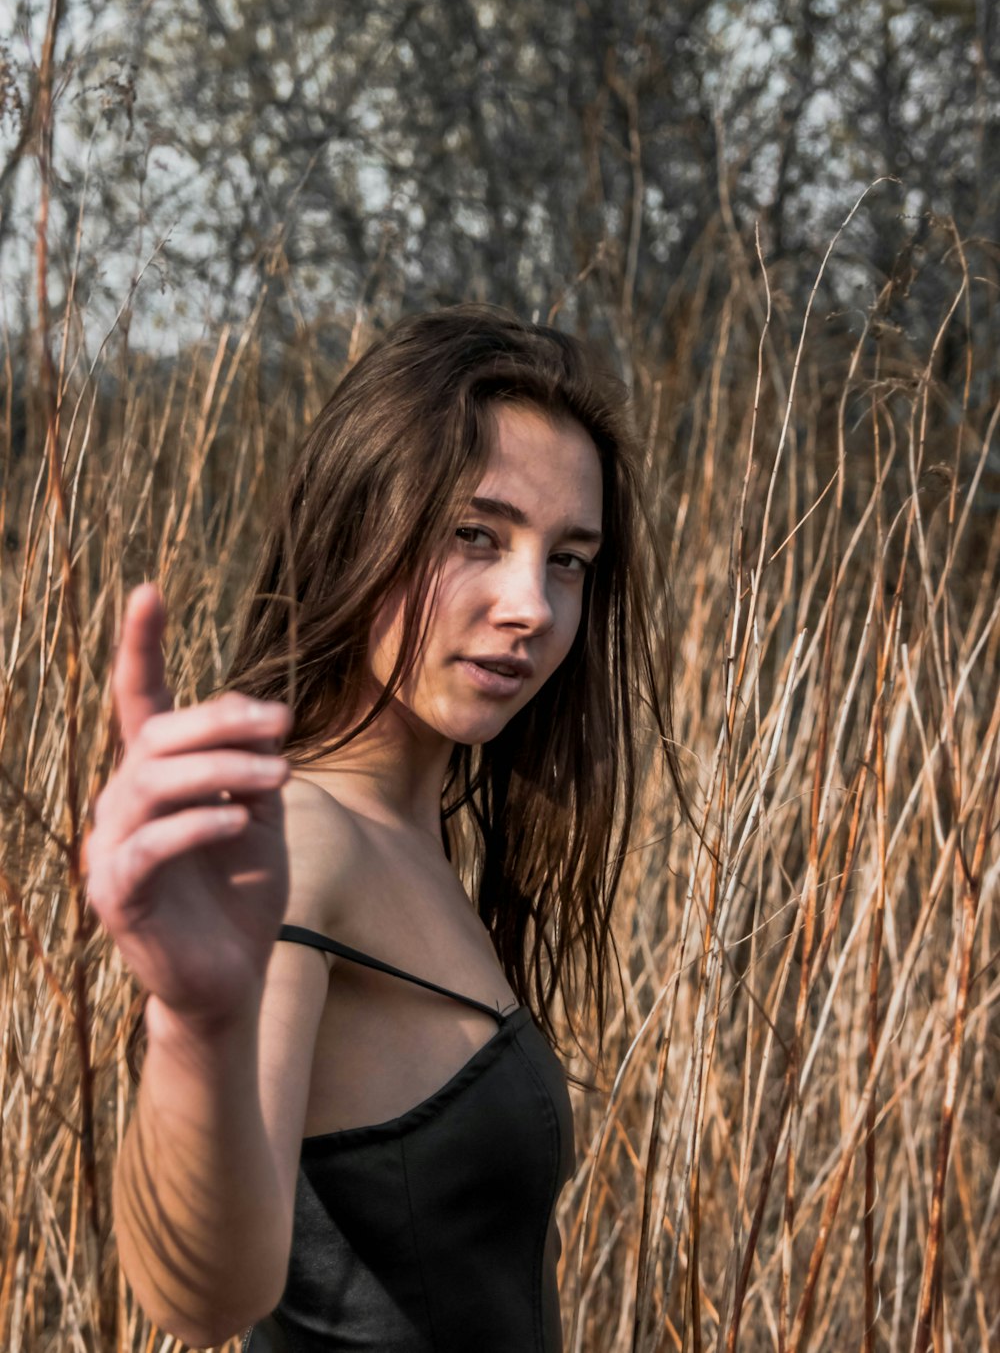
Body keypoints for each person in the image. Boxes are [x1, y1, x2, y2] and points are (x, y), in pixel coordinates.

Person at [84, 304, 686, 1352]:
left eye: (568, 559)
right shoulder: (303, 842)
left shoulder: (412, 836)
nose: (530, 605)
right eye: (474, 536)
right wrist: (193, 1027)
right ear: (360, 522)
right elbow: (203, 1299)